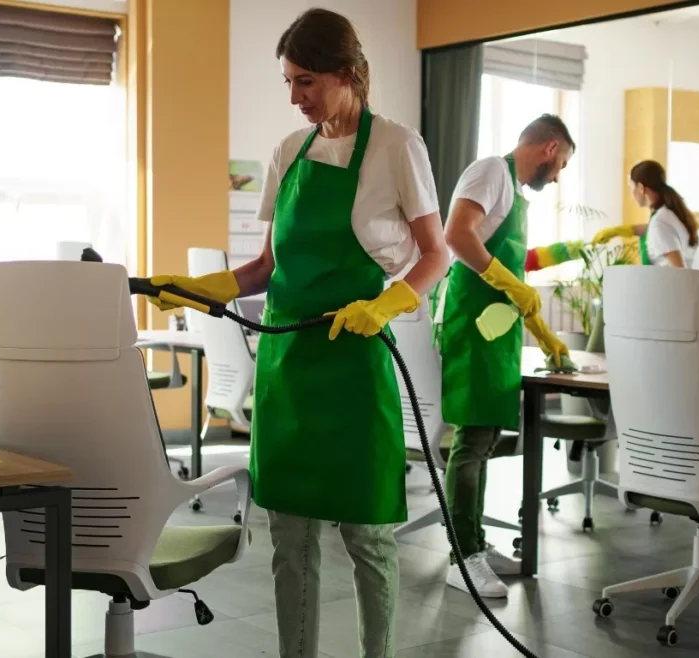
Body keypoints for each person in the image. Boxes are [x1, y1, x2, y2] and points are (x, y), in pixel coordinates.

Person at [144, 9, 449, 657]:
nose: (294, 97)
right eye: (288, 81)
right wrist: (200, 288)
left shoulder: (397, 147)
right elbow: (265, 266)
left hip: (356, 366)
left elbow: (436, 254)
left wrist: (389, 303)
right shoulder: (290, 151)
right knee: (290, 540)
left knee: (368, 536)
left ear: (347, 73)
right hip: (287, 368)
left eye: (306, 81)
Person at [438, 114, 575, 598]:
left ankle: (474, 544)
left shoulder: (513, 192)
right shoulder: (491, 171)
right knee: (471, 441)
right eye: (562, 165)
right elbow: (457, 235)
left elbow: (517, 264)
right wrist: (508, 283)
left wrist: (545, 334)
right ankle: (462, 558)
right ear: (550, 147)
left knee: (486, 437)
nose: (557, 177)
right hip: (472, 325)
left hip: (496, 330)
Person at [592, 160, 699, 268]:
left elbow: (679, 270)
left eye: (631, 187)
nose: (631, 195)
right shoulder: (667, 214)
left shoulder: (659, 222)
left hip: (673, 280)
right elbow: (653, 230)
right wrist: (620, 230)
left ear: (641, 188)